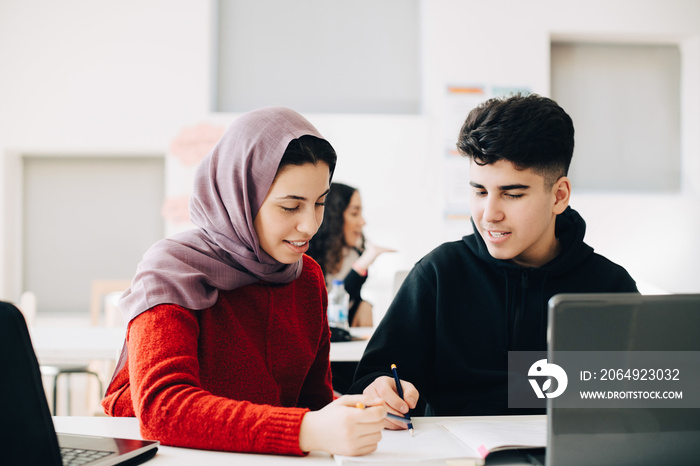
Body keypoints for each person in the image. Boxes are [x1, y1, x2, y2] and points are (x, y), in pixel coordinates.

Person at [101, 107, 386, 457]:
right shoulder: (171, 270)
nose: (310, 225)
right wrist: (305, 430)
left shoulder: (306, 276)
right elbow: (164, 408)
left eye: (320, 203)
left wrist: (361, 409)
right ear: (240, 198)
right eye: (290, 207)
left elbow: (312, 404)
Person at [348, 93, 639, 425]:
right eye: (479, 191)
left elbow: (647, 401)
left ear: (559, 196)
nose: (489, 215)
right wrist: (378, 390)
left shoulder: (611, 287)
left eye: (512, 194)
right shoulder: (439, 274)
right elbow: (369, 381)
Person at [307, 182, 394, 328]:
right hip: (319, 332)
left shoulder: (353, 254)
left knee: (365, 307)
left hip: (346, 331)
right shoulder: (307, 256)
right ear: (334, 217)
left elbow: (345, 303)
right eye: (354, 213)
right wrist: (362, 263)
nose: (363, 221)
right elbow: (322, 311)